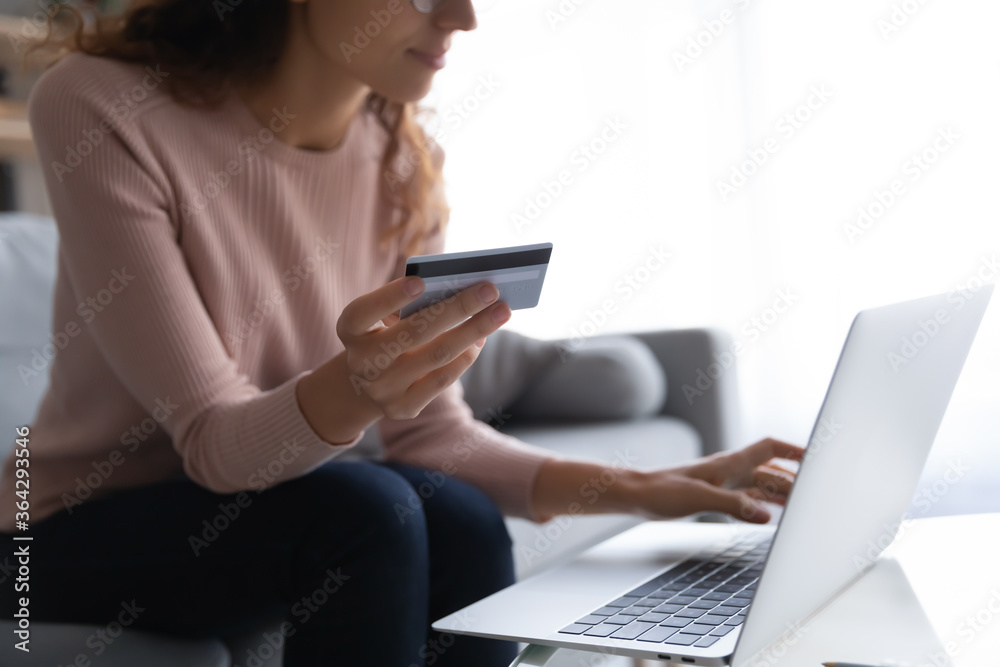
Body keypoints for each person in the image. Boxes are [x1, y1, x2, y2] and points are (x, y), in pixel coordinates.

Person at [0, 0, 803, 664]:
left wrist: (642, 487)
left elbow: (431, 436)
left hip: (275, 509)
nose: (464, 17)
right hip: (55, 533)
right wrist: (352, 390)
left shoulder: (396, 152)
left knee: (458, 515)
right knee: (366, 508)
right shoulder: (102, 104)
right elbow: (216, 441)